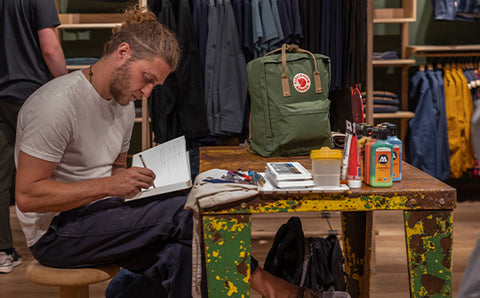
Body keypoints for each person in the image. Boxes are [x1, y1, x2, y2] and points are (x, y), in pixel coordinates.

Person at [14, 5, 320, 298]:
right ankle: (269, 285)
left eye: (154, 86)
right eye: (147, 79)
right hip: (55, 233)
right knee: (188, 210)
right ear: (123, 53)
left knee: (183, 250)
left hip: (99, 214)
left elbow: (115, 169)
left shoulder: (122, 104)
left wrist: (138, 183)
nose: (147, 93)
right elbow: (28, 197)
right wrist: (110, 186)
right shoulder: (56, 105)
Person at [0, 0, 67, 274]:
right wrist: (67, 85)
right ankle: (60, 242)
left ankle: (3, 250)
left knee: (1, 177)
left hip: (1, 97)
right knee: (54, 171)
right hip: (33, 96)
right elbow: (49, 47)